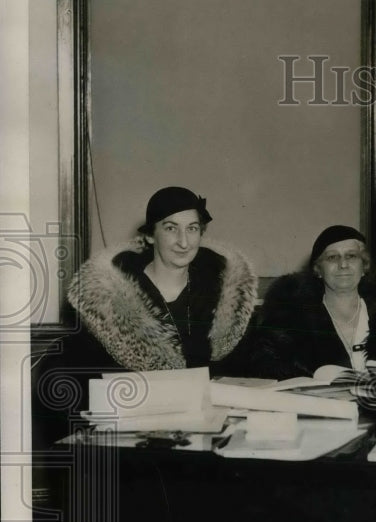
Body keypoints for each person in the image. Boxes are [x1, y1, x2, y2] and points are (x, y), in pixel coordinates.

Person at [33, 186, 256, 444]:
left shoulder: (222, 298)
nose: (184, 242)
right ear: (151, 236)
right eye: (171, 228)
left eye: (192, 228)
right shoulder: (109, 301)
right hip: (131, 445)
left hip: (206, 440)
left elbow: (244, 380)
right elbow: (65, 381)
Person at [250, 225, 376, 381]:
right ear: (318, 270)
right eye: (332, 258)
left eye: (352, 256)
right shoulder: (292, 323)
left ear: (365, 267)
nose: (343, 264)